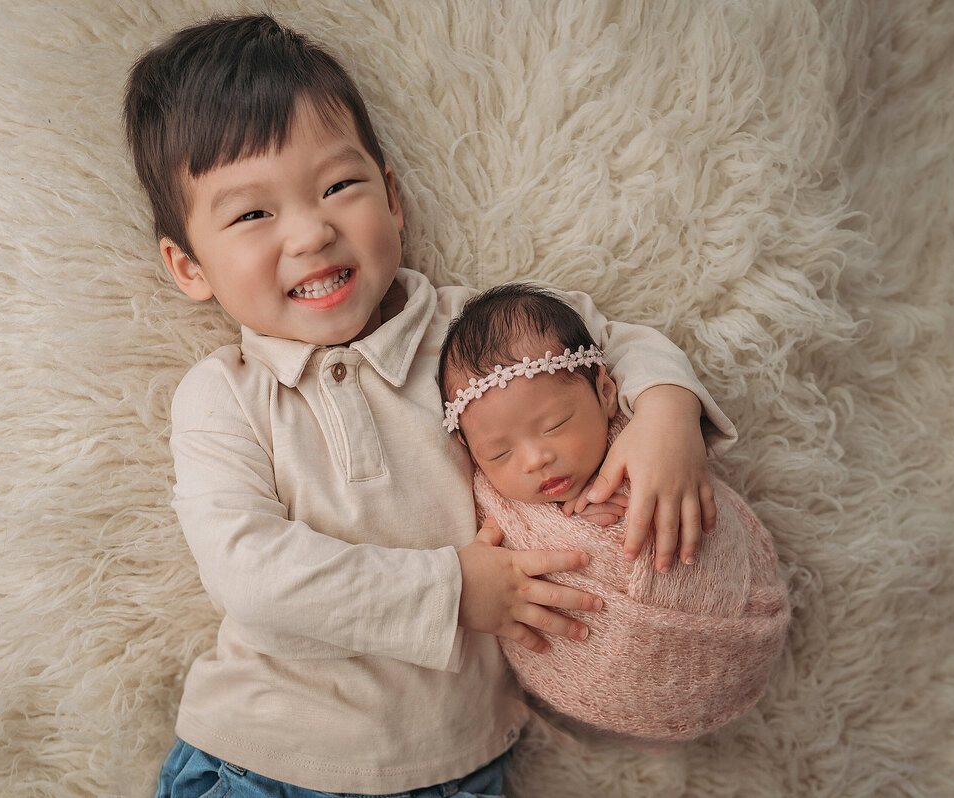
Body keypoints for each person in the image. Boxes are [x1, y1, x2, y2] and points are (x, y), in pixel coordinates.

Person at [122, 14, 737, 797]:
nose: (311, 232)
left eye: (340, 187)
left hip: (462, 759)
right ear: (188, 266)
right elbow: (249, 574)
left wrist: (666, 414)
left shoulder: (470, 334)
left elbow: (618, 343)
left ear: (394, 199)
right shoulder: (225, 394)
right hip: (267, 756)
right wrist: (457, 591)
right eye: (253, 214)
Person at [438, 284, 789, 746]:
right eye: (499, 453)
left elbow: (647, 387)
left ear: (605, 391)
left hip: (729, 613)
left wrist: (663, 420)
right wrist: (565, 527)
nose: (534, 460)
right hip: (586, 672)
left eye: (555, 425)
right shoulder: (492, 503)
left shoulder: (633, 422)